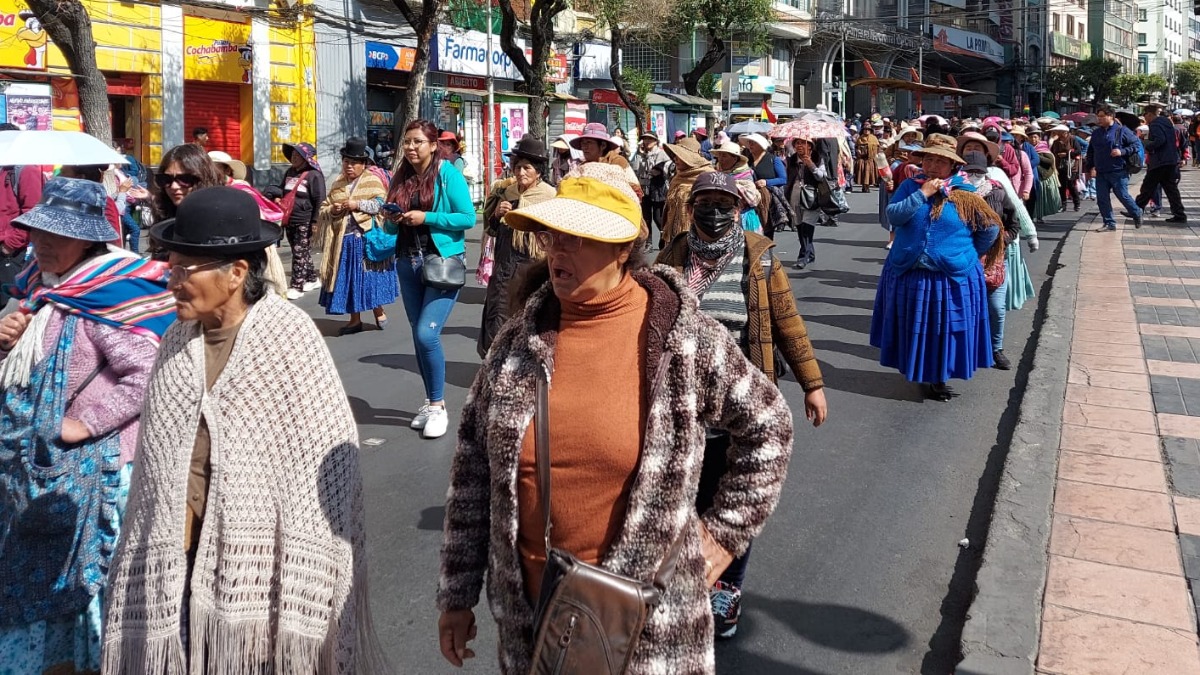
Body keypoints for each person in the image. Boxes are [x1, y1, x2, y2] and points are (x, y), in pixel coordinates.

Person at [436, 162, 795, 674]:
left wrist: (722, 536)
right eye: (553, 236)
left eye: (577, 239)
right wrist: (457, 595)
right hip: (534, 626)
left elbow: (769, 425)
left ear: (623, 249)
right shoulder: (516, 344)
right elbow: (473, 471)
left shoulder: (682, 339)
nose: (558, 251)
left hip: (651, 625)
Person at [102, 186, 388, 673]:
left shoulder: (288, 338)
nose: (171, 281)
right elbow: (155, 467)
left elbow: (328, 472)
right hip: (179, 554)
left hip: (258, 563)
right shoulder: (175, 341)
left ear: (236, 273)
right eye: (169, 266)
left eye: (184, 270)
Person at [0, 177, 174, 675]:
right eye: (37, 232)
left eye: (58, 234)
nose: (42, 242)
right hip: (35, 471)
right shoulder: (40, 286)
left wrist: (83, 423)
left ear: (90, 239)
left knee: (86, 584)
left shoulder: (108, 294)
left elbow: (148, 374)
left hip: (93, 472)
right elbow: (25, 362)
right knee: (37, 578)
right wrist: (7, 336)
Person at [656, 171, 826, 638]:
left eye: (723, 204)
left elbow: (787, 323)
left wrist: (812, 383)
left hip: (740, 407)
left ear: (738, 209)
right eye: (704, 203)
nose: (714, 211)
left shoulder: (761, 258)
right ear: (690, 209)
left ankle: (727, 584)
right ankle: (686, 575)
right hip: (683, 404)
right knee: (684, 497)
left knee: (732, 498)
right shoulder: (672, 256)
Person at [871, 137, 1000, 401]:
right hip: (911, 271)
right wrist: (923, 194)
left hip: (949, 276)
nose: (932, 165)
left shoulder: (965, 194)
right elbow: (893, 216)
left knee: (944, 329)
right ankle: (919, 371)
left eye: (940, 160)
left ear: (952, 165)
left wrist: (968, 254)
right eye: (928, 158)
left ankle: (939, 379)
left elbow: (990, 228)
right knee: (915, 327)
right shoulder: (910, 187)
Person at [383, 119, 475, 440]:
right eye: (407, 142)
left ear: (433, 145)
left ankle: (438, 406)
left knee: (426, 334)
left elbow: (467, 217)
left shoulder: (448, 175)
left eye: (417, 142)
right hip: (407, 262)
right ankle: (429, 402)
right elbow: (390, 230)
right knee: (417, 335)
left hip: (442, 262)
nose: (410, 148)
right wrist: (392, 219)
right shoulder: (401, 177)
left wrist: (428, 217)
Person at [478, 136, 555, 357]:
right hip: (504, 269)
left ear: (538, 171)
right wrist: (496, 216)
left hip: (533, 269)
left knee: (529, 321)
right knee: (498, 319)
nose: (520, 173)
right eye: (517, 167)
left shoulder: (550, 197)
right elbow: (491, 231)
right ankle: (495, 368)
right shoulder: (506, 194)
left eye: (527, 168)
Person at [316, 137, 397, 335]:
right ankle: (354, 319)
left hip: (366, 238)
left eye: (353, 163)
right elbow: (324, 208)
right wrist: (334, 210)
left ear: (363, 164)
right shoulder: (338, 182)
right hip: (343, 240)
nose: (349, 166)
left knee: (369, 277)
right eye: (346, 162)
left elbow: (380, 205)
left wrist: (357, 204)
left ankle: (379, 311)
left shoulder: (372, 181)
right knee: (350, 279)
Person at [0, 132, 45, 307]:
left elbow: (32, 212)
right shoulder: (5, 168)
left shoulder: (25, 170)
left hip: (10, 251)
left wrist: (10, 245)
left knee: (8, 304)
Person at [279, 141, 326, 299]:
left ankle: (297, 285)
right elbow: (282, 190)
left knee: (299, 253)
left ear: (305, 158)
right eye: (292, 154)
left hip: (305, 220)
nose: (294, 157)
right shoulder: (290, 172)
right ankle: (311, 279)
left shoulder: (314, 175)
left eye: (297, 155)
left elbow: (320, 199)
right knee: (299, 250)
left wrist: (315, 222)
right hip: (289, 219)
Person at [1085, 106, 1143, 231]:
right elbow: (1091, 152)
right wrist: (1089, 168)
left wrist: (1122, 151)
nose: (1099, 119)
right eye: (1098, 117)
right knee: (1102, 198)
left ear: (1111, 116)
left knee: (1122, 195)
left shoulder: (1121, 131)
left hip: (1118, 170)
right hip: (1101, 171)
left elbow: (1136, 145)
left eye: (1102, 116)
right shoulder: (1096, 133)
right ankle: (1109, 223)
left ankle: (1137, 212)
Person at [1135, 102, 1188, 224]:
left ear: (1149, 114)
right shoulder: (1167, 123)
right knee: (1171, 189)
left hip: (1160, 161)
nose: (1145, 118)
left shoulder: (1155, 124)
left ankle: (1136, 209)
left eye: (1145, 115)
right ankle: (1179, 214)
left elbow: (1160, 140)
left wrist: (1148, 145)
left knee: (1148, 186)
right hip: (1170, 160)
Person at [661, 138, 715, 247]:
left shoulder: (708, 177)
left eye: (679, 156)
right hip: (673, 236)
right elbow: (668, 208)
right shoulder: (678, 177)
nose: (675, 159)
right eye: (674, 155)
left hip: (697, 238)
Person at [788, 137, 828, 270]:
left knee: (807, 227)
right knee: (799, 226)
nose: (799, 146)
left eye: (802, 143)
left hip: (811, 195)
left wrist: (811, 165)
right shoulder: (792, 159)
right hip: (795, 194)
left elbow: (822, 176)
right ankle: (810, 253)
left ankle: (803, 257)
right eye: (796, 144)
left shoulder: (817, 158)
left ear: (810, 146)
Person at [742, 133, 789, 240]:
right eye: (749, 143)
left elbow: (783, 179)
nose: (751, 145)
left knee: (766, 232)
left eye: (753, 143)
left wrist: (766, 182)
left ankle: (767, 255)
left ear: (761, 145)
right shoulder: (746, 161)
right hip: (749, 200)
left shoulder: (774, 159)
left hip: (767, 201)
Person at [712, 141, 762, 234]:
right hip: (720, 218)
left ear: (735, 159)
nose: (720, 159)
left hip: (742, 219)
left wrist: (734, 186)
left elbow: (753, 200)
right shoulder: (717, 173)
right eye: (720, 155)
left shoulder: (745, 177)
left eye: (724, 156)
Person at [632, 132, 671, 249]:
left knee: (658, 218)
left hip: (658, 189)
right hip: (644, 189)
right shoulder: (641, 154)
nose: (647, 142)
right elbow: (635, 169)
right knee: (646, 217)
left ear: (656, 141)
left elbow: (665, 169)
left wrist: (657, 170)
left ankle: (664, 239)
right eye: (645, 139)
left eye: (650, 139)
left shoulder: (661, 153)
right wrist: (639, 153)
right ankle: (648, 243)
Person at [1051, 125, 1082, 212]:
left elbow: (1078, 151)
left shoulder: (1073, 139)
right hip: (1060, 166)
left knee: (1071, 185)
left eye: (1060, 131)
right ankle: (1063, 205)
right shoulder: (1056, 141)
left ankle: (1077, 203)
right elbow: (1052, 151)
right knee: (1062, 186)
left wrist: (1066, 154)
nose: (1059, 133)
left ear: (1065, 132)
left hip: (1071, 167)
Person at [854, 126, 879, 193]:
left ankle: (867, 186)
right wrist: (858, 151)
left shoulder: (874, 138)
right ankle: (864, 186)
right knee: (863, 172)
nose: (866, 131)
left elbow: (878, 147)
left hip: (870, 158)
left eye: (868, 130)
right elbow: (856, 147)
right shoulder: (860, 138)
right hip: (862, 158)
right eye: (865, 129)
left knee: (869, 172)